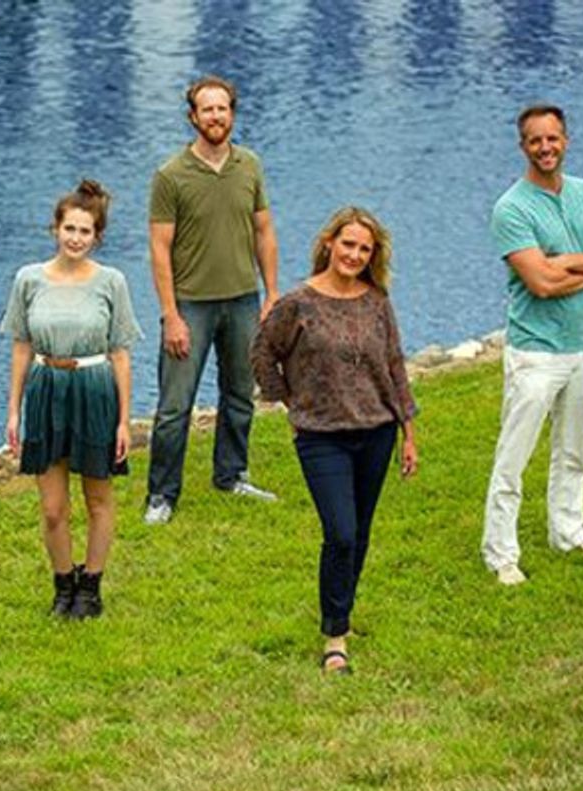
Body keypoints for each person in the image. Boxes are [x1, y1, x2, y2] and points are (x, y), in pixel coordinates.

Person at [251, 207, 417, 676]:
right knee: (340, 532)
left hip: (377, 430)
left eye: (364, 249)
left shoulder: (377, 300)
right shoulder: (298, 304)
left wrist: (408, 432)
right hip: (321, 437)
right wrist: (291, 404)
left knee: (360, 533)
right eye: (348, 244)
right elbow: (262, 352)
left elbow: (395, 365)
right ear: (329, 243)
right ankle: (334, 639)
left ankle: (341, 610)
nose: (355, 255)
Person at [482, 104, 583, 586]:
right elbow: (541, 284)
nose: (545, 148)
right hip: (537, 352)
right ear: (522, 146)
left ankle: (568, 534)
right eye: (535, 141)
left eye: (553, 139)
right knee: (514, 458)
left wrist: (565, 261)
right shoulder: (512, 208)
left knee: (575, 452)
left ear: (565, 140)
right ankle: (500, 554)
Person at [144, 74, 280, 525]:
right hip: (191, 305)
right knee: (174, 407)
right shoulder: (171, 175)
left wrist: (272, 294)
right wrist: (170, 315)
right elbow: (160, 248)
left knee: (240, 393)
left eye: (223, 109)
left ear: (232, 114)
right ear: (193, 117)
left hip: (243, 300)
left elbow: (263, 230)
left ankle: (232, 475)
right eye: (207, 109)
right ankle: (162, 495)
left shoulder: (250, 166)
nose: (216, 116)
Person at [2, 180, 141, 618]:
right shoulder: (28, 279)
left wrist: (124, 421)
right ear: (55, 230)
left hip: (95, 388)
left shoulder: (111, 282)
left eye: (86, 231)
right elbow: (21, 346)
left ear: (97, 236)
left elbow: (120, 354)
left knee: (98, 498)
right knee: (52, 508)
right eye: (70, 229)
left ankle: (91, 587)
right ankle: (63, 585)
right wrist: (12, 411)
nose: (76, 238)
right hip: (46, 389)